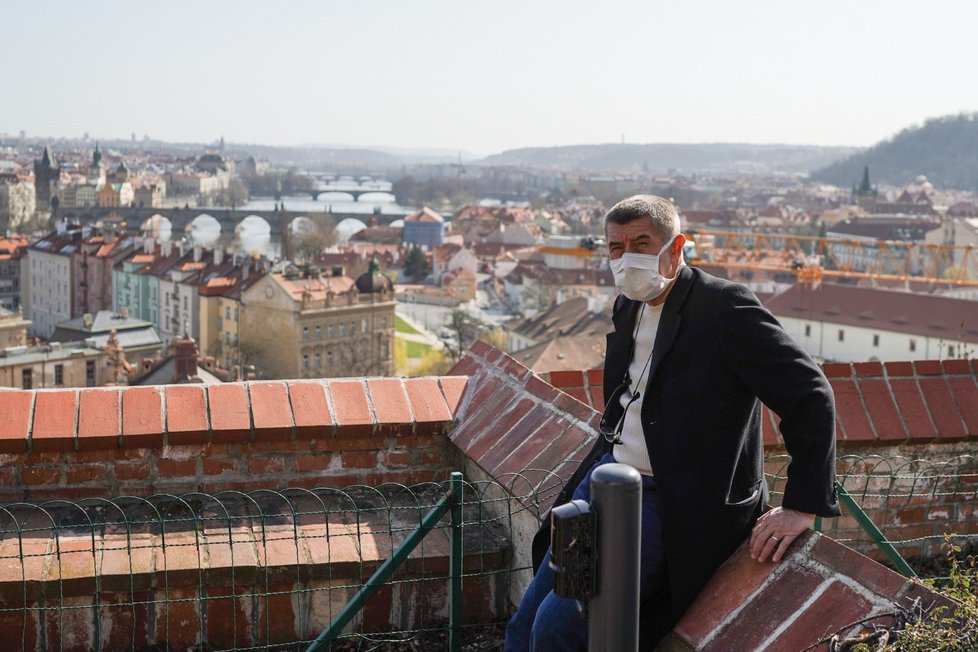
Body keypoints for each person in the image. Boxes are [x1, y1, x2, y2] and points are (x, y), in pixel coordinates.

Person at [504, 195, 841, 651]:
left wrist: (802, 504)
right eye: (616, 248)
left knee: (560, 629)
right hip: (606, 483)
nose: (627, 258)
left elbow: (810, 395)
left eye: (642, 243)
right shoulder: (628, 305)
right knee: (525, 625)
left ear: (677, 246)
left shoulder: (724, 308)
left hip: (671, 500)